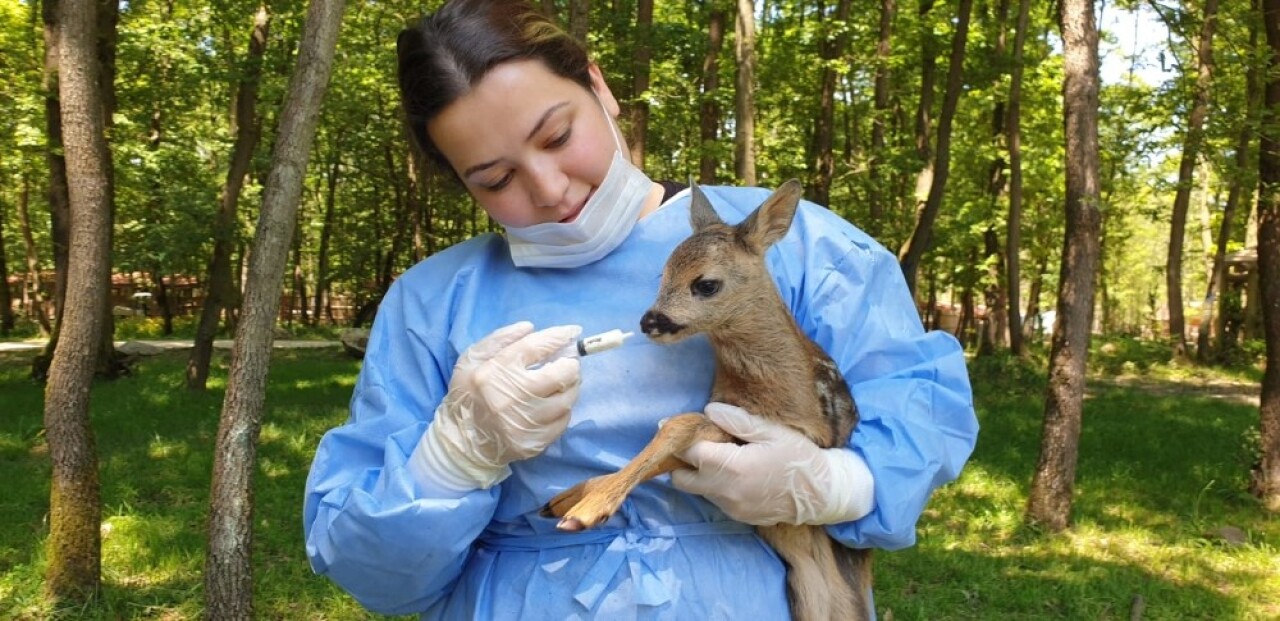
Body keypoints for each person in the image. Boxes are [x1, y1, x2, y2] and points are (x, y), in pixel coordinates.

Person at [303, 0, 978, 618]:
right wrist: (451, 459)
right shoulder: (431, 303)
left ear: (601, 88)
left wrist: (838, 483)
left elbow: (921, 409)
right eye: (496, 178)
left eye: (558, 135)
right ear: (461, 184)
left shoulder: (793, 244)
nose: (549, 187)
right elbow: (380, 576)